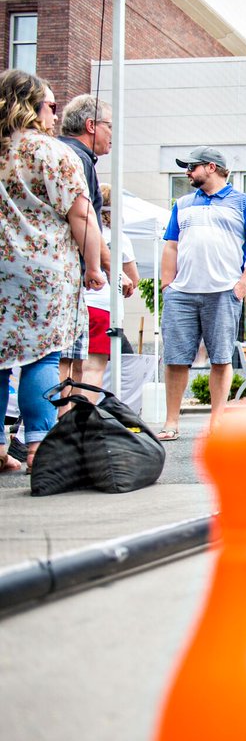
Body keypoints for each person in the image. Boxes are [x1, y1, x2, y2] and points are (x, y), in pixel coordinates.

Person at [0, 69, 103, 469]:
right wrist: (93, 266)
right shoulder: (52, 152)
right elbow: (82, 216)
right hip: (43, 272)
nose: (55, 115)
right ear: (30, 106)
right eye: (50, 105)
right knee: (42, 359)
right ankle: (39, 448)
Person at [157, 146, 246, 441]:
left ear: (211, 167)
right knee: (175, 359)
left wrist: (242, 284)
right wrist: (168, 285)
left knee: (220, 358)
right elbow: (171, 245)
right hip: (182, 292)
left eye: (192, 167)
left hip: (223, 291)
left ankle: (217, 423)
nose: (187, 172)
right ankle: (171, 422)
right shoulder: (182, 203)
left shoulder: (243, 202)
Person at [56, 94, 115, 393]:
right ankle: (53, 432)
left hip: (61, 269)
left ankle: (57, 429)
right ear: (91, 125)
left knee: (68, 360)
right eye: (109, 127)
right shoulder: (76, 159)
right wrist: (99, 266)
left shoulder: (60, 153)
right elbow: (84, 217)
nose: (111, 135)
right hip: (68, 272)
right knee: (64, 360)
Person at [68, 184, 138, 398]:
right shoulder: (119, 238)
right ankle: (85, 419)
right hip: (103, 306)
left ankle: (63, 417)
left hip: (75, 303)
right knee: (93, 367)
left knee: (71, 366)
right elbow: (132, 279)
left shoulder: (77, 231)